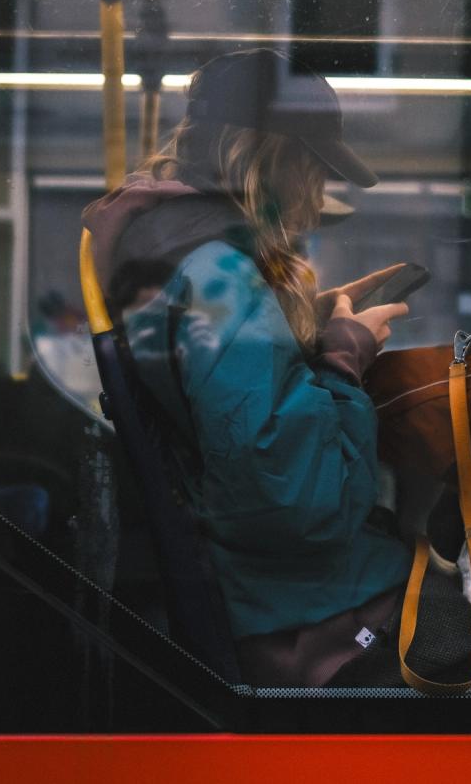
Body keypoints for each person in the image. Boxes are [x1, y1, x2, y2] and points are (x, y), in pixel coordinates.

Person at [82, 49, 414, 686]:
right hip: (304, 617)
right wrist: (344, 359)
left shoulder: (177, 254)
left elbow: (219, 396)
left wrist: (300, 332)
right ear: (277, 160)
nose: (316, 198)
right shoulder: (222, 279)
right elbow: (298, 505)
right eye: (316, 172)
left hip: (271, 593)